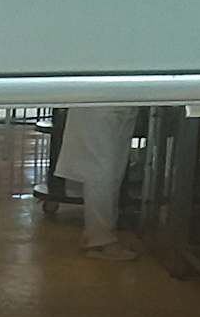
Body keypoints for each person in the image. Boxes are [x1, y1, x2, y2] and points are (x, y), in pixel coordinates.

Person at [53, 105, 142, 260]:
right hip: (101, 103)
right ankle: (99, 240)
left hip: (121, 100)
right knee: (101, 169)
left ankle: (100, 234)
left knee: (113, 168)